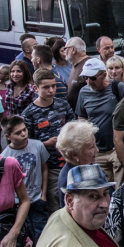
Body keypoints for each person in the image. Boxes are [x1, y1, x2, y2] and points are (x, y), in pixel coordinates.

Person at [23, 70, 76, 213]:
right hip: (49, 167)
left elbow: (74, 128)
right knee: (56, 205)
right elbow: (25, 144)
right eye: (46, 87)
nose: (51, 90)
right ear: (35, 88)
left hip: (69, 162)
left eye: (53, 86)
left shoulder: (63, 105)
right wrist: (45, 143)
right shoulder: (29, 113)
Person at [76, 58, 124, 184]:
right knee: (103, 189)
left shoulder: (117, 87)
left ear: (104, 75)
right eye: (85, 77)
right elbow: (81, 118)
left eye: (92, 78)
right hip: (97, 151)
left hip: (117, 149)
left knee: (120, 188)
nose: (89, 82)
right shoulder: (83, 92)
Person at [0, 115, 51, 246]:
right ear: (8, 137)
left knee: (42, 236)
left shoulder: (38, 145)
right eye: (18, 133)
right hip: (19, 203)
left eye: (24, 129)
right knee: (24, 238)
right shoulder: (5, 157)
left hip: (37, 199)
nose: (23, 134)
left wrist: (43, 195)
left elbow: (44, 168)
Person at [54, 121, 105, 205]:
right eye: (92, 147)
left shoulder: (87, 167)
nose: (97, 150)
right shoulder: (69, 180)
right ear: (74, 154)